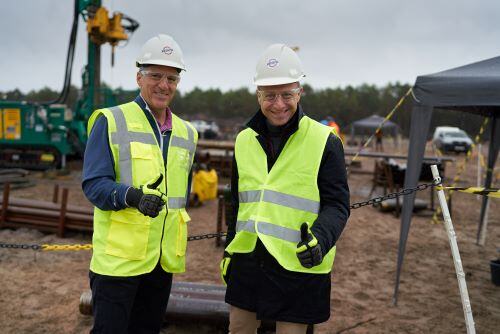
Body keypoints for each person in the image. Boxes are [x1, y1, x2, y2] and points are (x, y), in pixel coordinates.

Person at [220, 44, 350, 333]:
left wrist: (320, 239)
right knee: (238, 330)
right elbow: (238, 205)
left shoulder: (325, 141)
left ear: (299, 92)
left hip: (298, 262)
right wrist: (229, 251)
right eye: (270, 96)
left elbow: (338, 205)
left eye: (287, 94)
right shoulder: (243, 140)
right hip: (248, 260)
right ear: (258, 95)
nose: (278, 104)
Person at [82, 34, 198, 333]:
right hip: (118, 264)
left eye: (171, 78)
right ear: (139, 77)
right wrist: (132, 196)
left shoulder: (187, 134)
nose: (164, 85)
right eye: (155, 76)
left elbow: (181, 195)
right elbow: (94, 185)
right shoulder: (110, 120)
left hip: (161, 262)